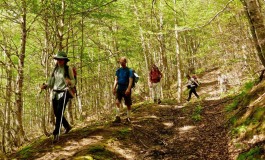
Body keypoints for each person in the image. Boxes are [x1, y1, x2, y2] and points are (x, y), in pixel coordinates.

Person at [41, 51, 75, 142]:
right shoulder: (55, 69)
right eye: (58, 59)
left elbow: (73, 81)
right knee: (56, 113)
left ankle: (56, 133)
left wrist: (70, 82)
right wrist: (46, 86)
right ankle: (67, 126)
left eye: (61, 60)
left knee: (59, 112)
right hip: (55, 93)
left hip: (64, 92)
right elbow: (51, 82)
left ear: (64, 60)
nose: (59, 61)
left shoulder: (68, 69)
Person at [112, 57, 133, 123]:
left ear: (125, 62)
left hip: (126, 88)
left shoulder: (129, 70)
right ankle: (117, 117)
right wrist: (114, 88)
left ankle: (128, 117)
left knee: (128, 104)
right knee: (117, 102)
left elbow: (130, 80)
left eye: (122, 62)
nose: (121, 63)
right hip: (119, 88)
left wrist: (128, 89)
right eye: (120, 62)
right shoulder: (118, 70)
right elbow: (116, 80)